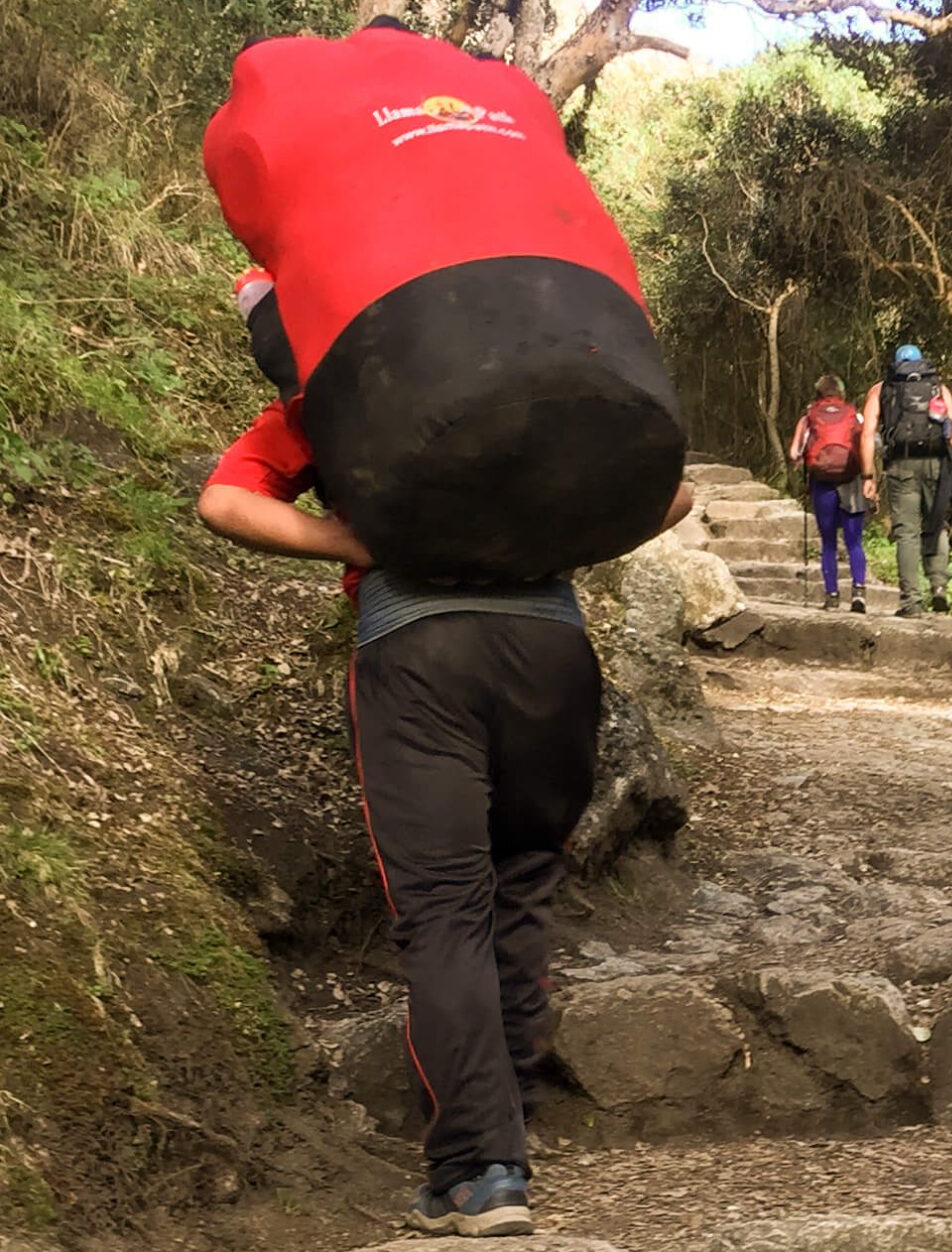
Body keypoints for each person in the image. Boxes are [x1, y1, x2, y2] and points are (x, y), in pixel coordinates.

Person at [198, 359, 692, 1237]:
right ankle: (507, 1115)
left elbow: (226, 502)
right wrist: (553, 544)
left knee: (443, 910)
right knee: (523, 883)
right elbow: (675, 497)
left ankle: (478, 1170)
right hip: (552, 655)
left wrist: (347, 543)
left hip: (420, 653)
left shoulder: (342, 399)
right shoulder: (533, 385)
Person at [859, 344, 952, 617]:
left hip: (901, 465)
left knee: (907, 532)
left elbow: (867, 434)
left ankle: (911, 602)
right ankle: (939, 588)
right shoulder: (937, 388)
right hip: (937, 463)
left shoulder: (881, 389)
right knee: (936, 524)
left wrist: (867, 475)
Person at [789, 374, 870, 612]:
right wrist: (869, 478)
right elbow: (867, 444)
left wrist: (803, 462)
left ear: (819, 393)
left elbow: (795, 452)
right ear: (841, 392)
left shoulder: (809, 416)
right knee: (854, 542)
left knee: (828, 542)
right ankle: (858, 592)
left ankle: (832, 596)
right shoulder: (853, 414)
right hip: (851, 481)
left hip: (822, 483)